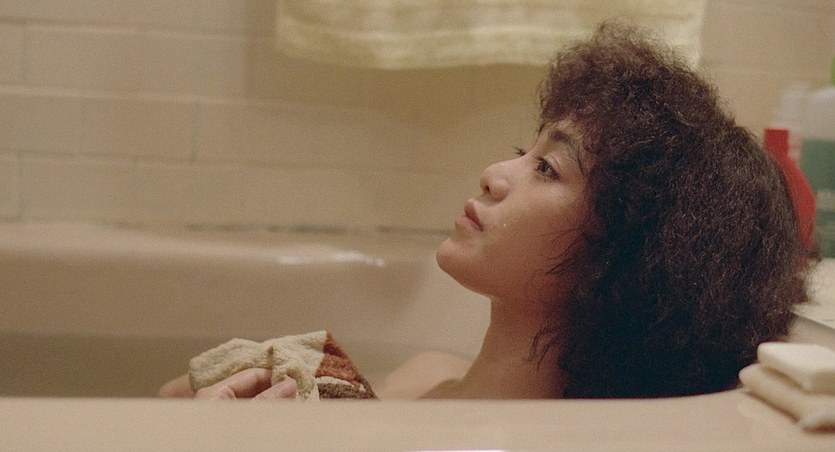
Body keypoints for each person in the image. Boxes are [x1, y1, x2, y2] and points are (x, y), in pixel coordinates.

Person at [159, 21, 812, 400]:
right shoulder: (430, 374)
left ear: (622, 264)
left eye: (547, 168)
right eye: (524, 152)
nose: (495, 175)